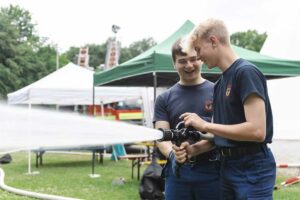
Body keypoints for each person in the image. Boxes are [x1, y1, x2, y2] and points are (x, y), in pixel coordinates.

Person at [178, 18, 276, 199]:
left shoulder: (246, 72)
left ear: (213, 41)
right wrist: (195, 149)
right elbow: (224, 134)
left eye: (198, 49)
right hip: (226, 166)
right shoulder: (219, 84)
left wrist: (205, 125)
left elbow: (257, 130)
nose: (198, 57)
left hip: (253, 167)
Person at [154, 37, 220, 200]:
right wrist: (173, 155)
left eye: (194, 59)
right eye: (182, 61)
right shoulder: (164, 98)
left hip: (213, 170)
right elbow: (161, 136)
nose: (189, 65)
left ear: (201, 59)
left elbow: (224, 132)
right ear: (174, 64)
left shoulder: (218, 92)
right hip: (177, 174)